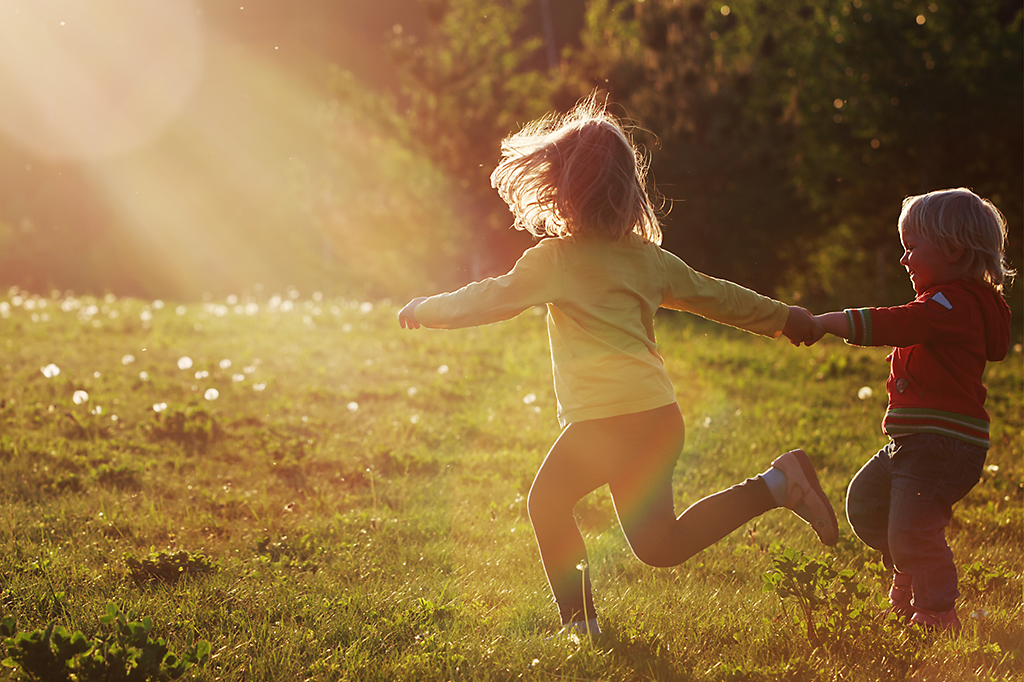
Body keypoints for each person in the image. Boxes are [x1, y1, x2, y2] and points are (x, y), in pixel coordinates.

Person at [397, 95, 838, 636]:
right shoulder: (648, 261)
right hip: (656, 418)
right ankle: (777, 484)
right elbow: (718, 296)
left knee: (546, 504)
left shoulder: (554, 261)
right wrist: (787, 319)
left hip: (608, 423)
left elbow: (487, 299)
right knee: (661, 546)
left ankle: (582, 626)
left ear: (560, 189)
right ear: (628, 189)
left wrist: (423, 310)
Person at [811, 188, 1013, 632]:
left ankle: (937, 613)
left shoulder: (953, 303)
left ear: (953, 250)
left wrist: (828, 322)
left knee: (911, 529)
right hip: (917, 444)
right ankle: (911, 567)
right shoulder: (950, 304)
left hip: (939, 446)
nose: (904, 260)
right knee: (865, 503)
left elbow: (900, 321)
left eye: (911, 248)